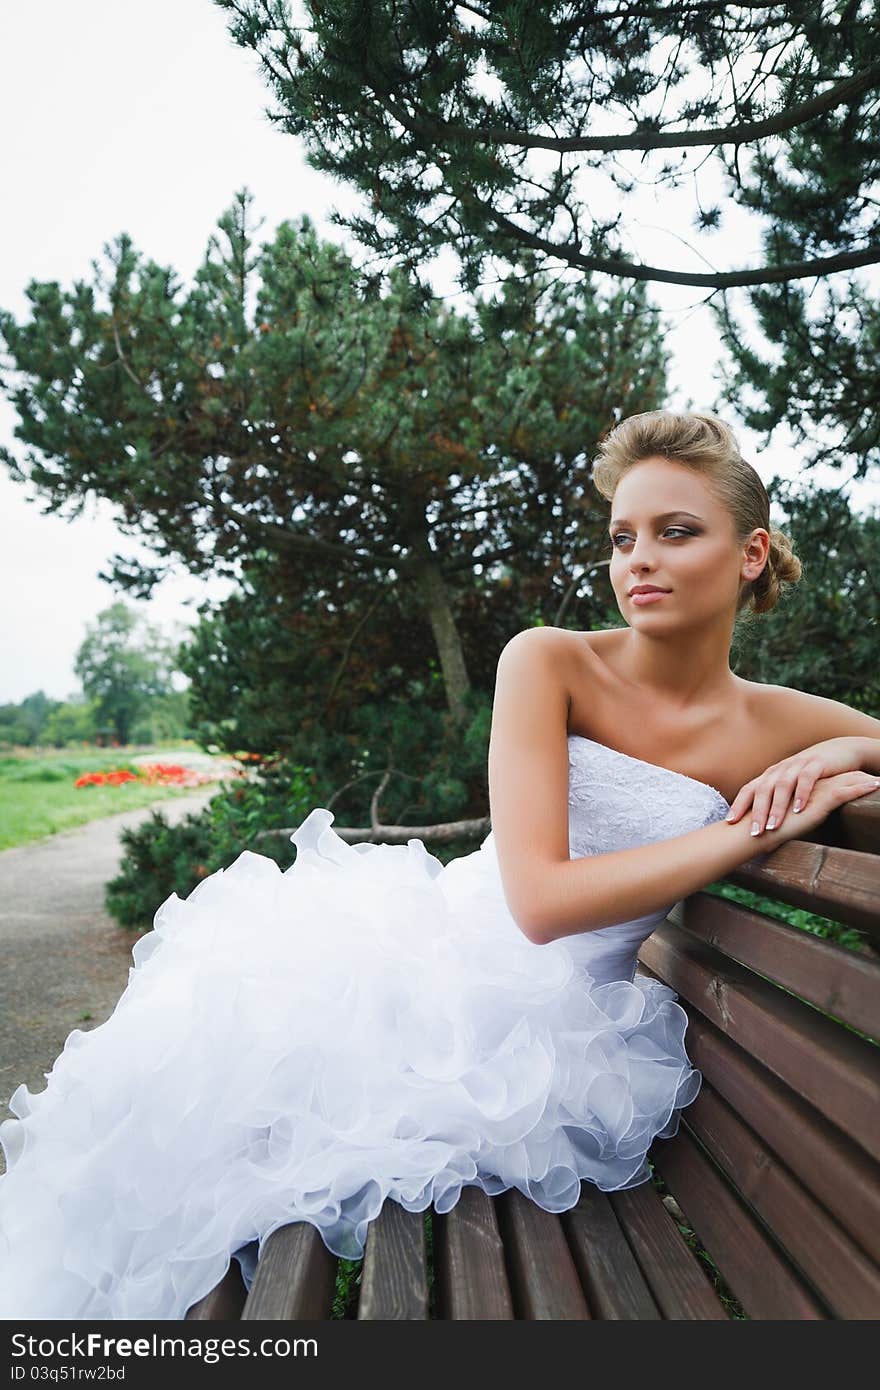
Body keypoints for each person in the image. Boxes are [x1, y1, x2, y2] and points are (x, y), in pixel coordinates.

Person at [1, 409, 878, 1321]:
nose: (638, 560)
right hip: (441, 966)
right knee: (191, 1127)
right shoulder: (551, 660)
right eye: (622, 538)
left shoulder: (779, 720)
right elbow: (538, 901)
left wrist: (842, 758)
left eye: (676, 532)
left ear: (750, 553)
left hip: (568, 1029)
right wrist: (748, 830)